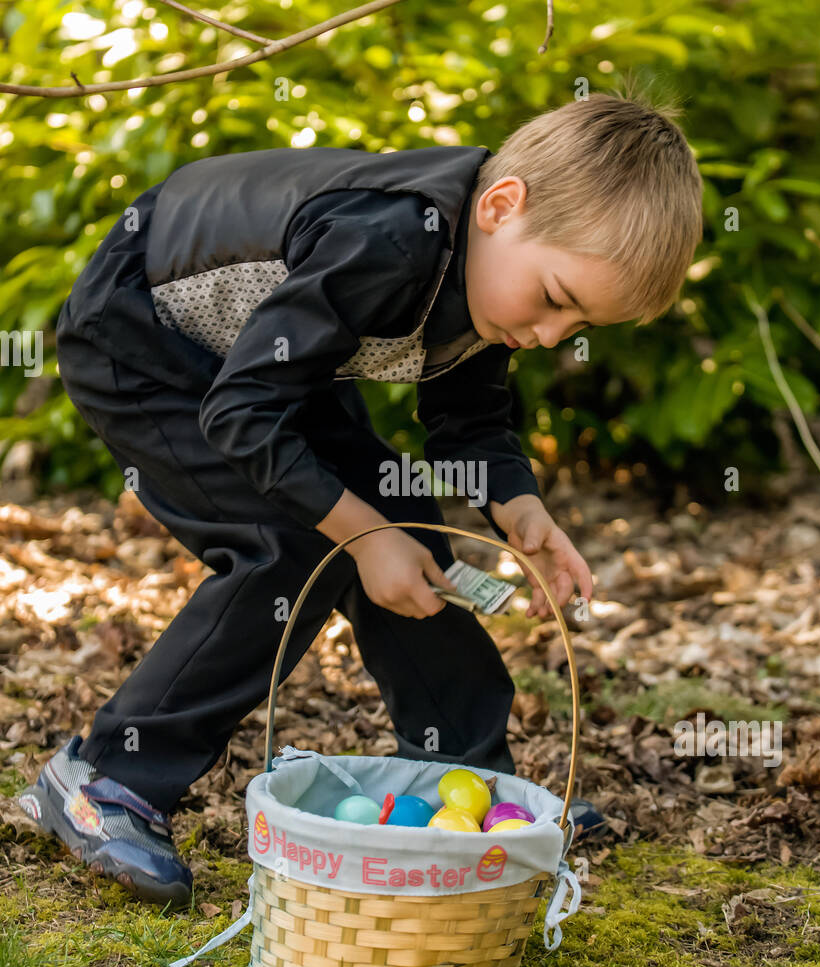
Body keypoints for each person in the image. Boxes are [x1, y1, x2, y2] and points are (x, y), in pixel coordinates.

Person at [18, 89, 704, 906]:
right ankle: (102, 780)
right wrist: (361, 536)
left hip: (269, 371)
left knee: (397, 517)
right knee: (295, 544)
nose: (552, 336)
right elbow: (240, 415)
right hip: (142, 341)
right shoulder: (388, 240)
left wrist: (521, 512)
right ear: (501, 206)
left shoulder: (491, 280)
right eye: (556, 299)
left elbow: (467, 418)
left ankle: (468, 788)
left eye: (578, 324)